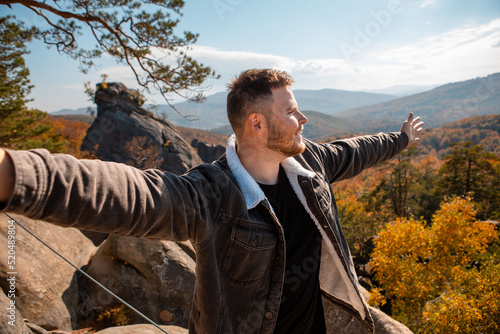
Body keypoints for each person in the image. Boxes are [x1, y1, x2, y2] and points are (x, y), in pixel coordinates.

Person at [0, 68, 423, 334]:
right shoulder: (212, 194)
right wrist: (14, 175)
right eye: (292, 111)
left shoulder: (309, 163)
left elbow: (357, 149)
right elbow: (131, 194)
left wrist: (401, 139)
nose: (304, 120)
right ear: (257, 123)